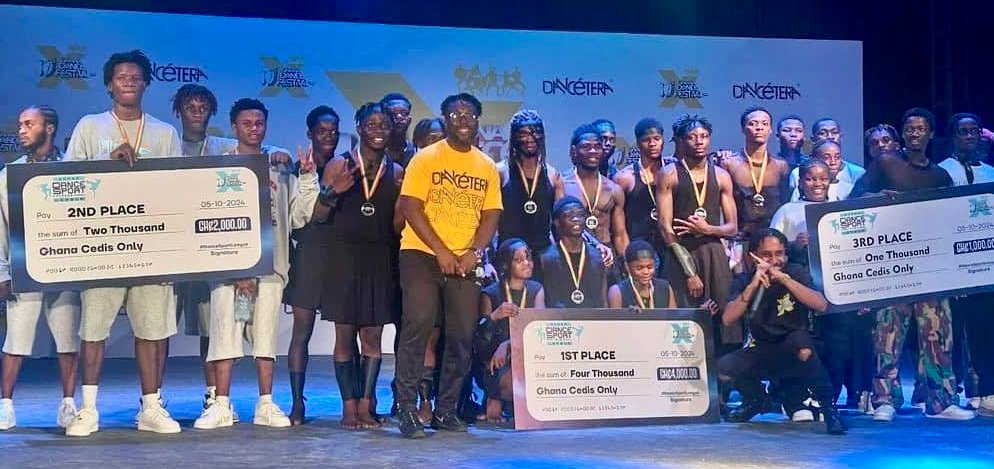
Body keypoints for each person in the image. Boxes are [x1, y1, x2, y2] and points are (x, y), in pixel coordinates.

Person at [63, 50, 183, 436]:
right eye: (121, 77)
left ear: (146, 83)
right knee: (93, 330)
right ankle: (88, 409)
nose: (128, 82)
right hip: (102, 247)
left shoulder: (165, 133)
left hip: (151, 249)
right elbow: (66, 184)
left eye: (135, 77)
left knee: (151, 330)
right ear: (108, 85)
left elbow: (178, 193)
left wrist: (173, 255)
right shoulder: (90, 126)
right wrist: (105, 161)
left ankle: (151, 407)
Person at [193, 98, 319, 429]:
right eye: (246, 123)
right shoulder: (220, 167)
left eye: (259, 123)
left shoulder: (280, 165)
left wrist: (307, 177)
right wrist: (234, 266)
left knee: (265, 338)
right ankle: (221, 404)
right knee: (225, 336)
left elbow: (298, 217)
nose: (254, 129)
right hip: (229, 270)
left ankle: (265, 404)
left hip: (270, 268)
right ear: (234, 126)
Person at [394, 93, 502, 438]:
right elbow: (410, 207)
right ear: (444, 119)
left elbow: (491, 214)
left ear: (478, 119)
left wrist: (475, 251)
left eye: (469, 114)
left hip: (465, 259)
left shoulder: (486, 165)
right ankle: (407, 408)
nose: (463, 119)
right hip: (421, 254)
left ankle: (446, 410)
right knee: (419, 325)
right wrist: (440, 250)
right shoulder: (426, 158)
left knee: (462, 335)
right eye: (455, 114)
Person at [857, 108, 972, 421]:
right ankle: (885, 401)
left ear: (931, 134)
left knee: (938, 335)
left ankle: (940, 401)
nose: (915, 133)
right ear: (903, 134)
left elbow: (950, 222)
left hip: (931, 270)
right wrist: (876, 197)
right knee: (887, 337)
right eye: (909, 128)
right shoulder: (886, 163)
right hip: (892, 267)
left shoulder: (940, 176)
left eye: (921, 128)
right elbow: (855, 200)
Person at [318, 102, 405, 429]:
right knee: (344, 337)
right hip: (343, 260)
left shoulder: (397, 172)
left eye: (384, 124)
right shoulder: (338, 165)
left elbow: (397, 226)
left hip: (380, 261)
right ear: (358, 126)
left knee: (372, 338)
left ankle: (366, 406)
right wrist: (332, 191)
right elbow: (318, 216)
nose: (379, 130)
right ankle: (348, 407)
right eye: (372, 124)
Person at [718, 228, 846, 435]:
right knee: (723, 368)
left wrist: (785, 280)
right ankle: (758, 401)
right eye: (766, 255)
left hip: (796, 345)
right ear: (754, 256)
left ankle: (828, 408)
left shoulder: (796, 272)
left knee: (801, 344)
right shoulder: (745, 279)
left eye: (779, 254)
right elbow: (727, 319)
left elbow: (821, 305)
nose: (774, 260)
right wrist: (753, 285)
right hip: (763, 348)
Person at [0, 105, 79, 431]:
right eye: (20, 125)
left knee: (68, 341)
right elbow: (2, 229)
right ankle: (5, 406)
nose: (21, 130)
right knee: (16, 342)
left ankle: (69, 405)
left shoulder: (71, 168)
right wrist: (3, 273)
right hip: (24, 269)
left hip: (65, 269)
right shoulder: (10, 175)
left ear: (49, 128)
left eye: (29, 124)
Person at [169, 83, 237, 413]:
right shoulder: (165, 145)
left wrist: (278, 151)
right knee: (157, 330)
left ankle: (213, 394)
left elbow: (255, 145)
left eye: (203, 107)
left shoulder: (224, 147)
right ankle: (152, 398)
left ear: (211, 112)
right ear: (178, 111)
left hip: (208, 250)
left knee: (212, 328)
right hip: (169, 250)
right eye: (190, 107)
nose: (197, 112)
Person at [282, 105, 342, 425]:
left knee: (347, 333)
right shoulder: (294, 171)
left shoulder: (346, 167)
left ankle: (355, 402)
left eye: (333, 132)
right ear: (310, 134)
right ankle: (297, 402)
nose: (328, 137)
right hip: (307, 255)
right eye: (322, 131)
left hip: (341, 257)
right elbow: (292, 219)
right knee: (301, 333)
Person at [657, 115, 738, 344]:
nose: (699, 141)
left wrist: (707, 228)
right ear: (682, 141)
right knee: (683, 322)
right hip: (681, 254)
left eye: (704, 136)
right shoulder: (669, 173)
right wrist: (690, 273)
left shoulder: (721, 175)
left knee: (722, 320)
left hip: (713, 255)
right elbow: (664, 227)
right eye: (692, 137)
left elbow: (732, 228)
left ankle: (723, 365)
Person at [938, 112, 994, 417]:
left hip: (984, 266)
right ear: (953, 136)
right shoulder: (941, 171)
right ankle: (950, 392)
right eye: (964, 131)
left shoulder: (991, 173)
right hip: (951, 267)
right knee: (950, 333)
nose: (970, 136)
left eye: (974, 130)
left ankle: (986, 390)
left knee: (984, 330)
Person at [475, 238, 544, 424]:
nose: (526, 263)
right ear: (506, 264)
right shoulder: (491, 293)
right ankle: (495, 396)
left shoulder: (536, 290)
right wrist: (494, 316)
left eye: (528, 258)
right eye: (519, 260)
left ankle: (510, 405)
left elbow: (539, 330)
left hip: (526, 356)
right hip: (496, 361)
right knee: (508, 376)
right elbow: (480, 340)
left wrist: (508, 344)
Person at [496, 109, 564, 281]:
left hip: (543, 255)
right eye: (523, 134)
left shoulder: (553, 175)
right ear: (514, 137)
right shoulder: (501, 172)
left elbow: (561, 222)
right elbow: (489, 217)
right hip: (508, 255)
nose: (530, 139)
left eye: (535, 133)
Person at [718, 107, 791, 244]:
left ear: (770, 130)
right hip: (739, 239)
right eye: (753, 123)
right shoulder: (729, 164)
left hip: (773, 239)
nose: (759, 128)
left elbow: (786, 205)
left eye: (765, 124)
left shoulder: (781, 166)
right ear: (743, 129)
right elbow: (721, 207)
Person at [560, 124, 629, 270]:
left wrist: (627, 264)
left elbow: (620, 234)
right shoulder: (563, 185)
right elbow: (558, 225)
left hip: (607, 255)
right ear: (574, 151)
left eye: (597, 147)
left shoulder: (614, 189)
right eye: (586, 147)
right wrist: (595, 245)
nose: (593, 151)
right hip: (574, 253)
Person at [613, 118, 667, 258]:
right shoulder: (624, 178)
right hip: (639, 251)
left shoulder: (675, 171)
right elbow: (619, 228)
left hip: (670, 247)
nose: (652, 144)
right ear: (637, 143)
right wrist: (627, 258)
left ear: (663, 140)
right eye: (646, 140)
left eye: (657, 139)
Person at [540, 197, 607, 308]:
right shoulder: (545, 258)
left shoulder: (598, 257)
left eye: (580, 214)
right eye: (568, 215)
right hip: (559, 318)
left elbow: (603, 300)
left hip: (592, 317)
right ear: (557, 222)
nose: (576, 219)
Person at [787, 140, 865, 201]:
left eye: (837, 157)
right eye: (826, 158)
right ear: (814, 159)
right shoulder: (804, 189)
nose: (833, 162)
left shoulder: (849, 189)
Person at [607, 240, 676, 309]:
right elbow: (615, 316)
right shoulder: (617, 292)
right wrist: (628, 314)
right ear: (627, 267)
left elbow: (673, 315)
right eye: (639, 268)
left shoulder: (665, 288)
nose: (646, 272)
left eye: (650, 267)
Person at [381, 93, 417, 167]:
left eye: (404, 113)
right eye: (393, 113)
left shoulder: (416, 152)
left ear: (409, 120)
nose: (399, 117)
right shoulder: (371, 152)